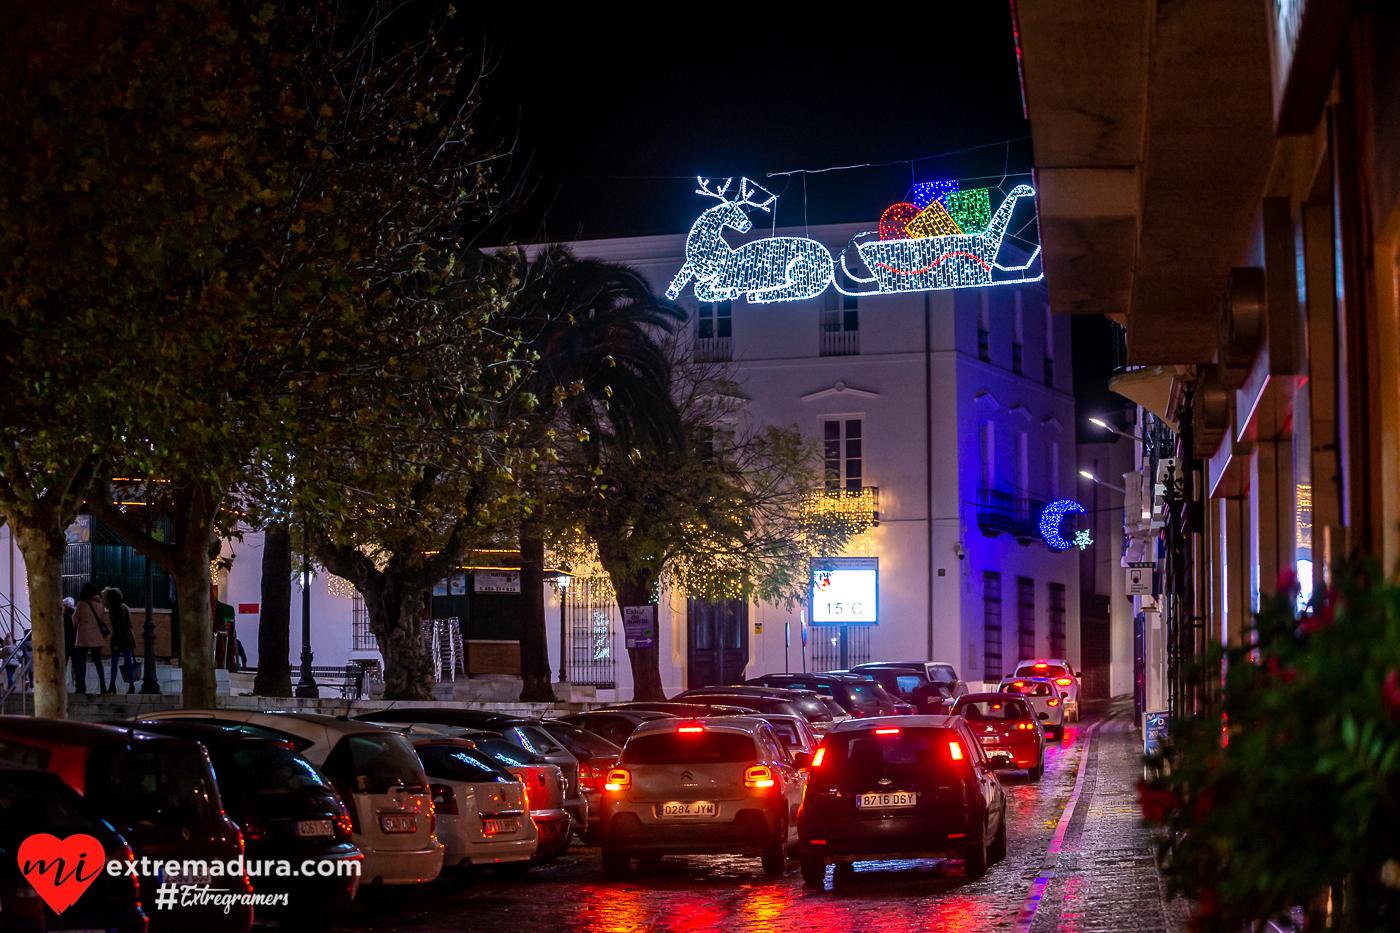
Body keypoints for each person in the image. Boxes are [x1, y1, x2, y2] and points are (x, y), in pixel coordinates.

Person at [71, 581, 107, 694]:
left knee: (81, 662)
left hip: (83, 637)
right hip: (97, 637)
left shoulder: (81, 604)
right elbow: (102, 619)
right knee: (98, 662)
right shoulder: (100, 604)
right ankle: (103, 685)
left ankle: (81, 686)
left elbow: (75, 620)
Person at [103, 587, 136, 694]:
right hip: (128, 638)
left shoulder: (114, 610)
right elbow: (130, 625)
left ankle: (112, 685)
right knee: (129, 663)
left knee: (114, 662)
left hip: (119, 640)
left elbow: (117, 628)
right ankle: (132, 685)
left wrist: (115, 643)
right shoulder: (125, 607)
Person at [62, 597, 76, 681]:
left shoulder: (63, 616)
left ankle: (62, 682)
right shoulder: (75, 614)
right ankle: (80, 686)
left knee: (63, 665)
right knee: (76, 665)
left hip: (66, 642)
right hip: (75, 642)